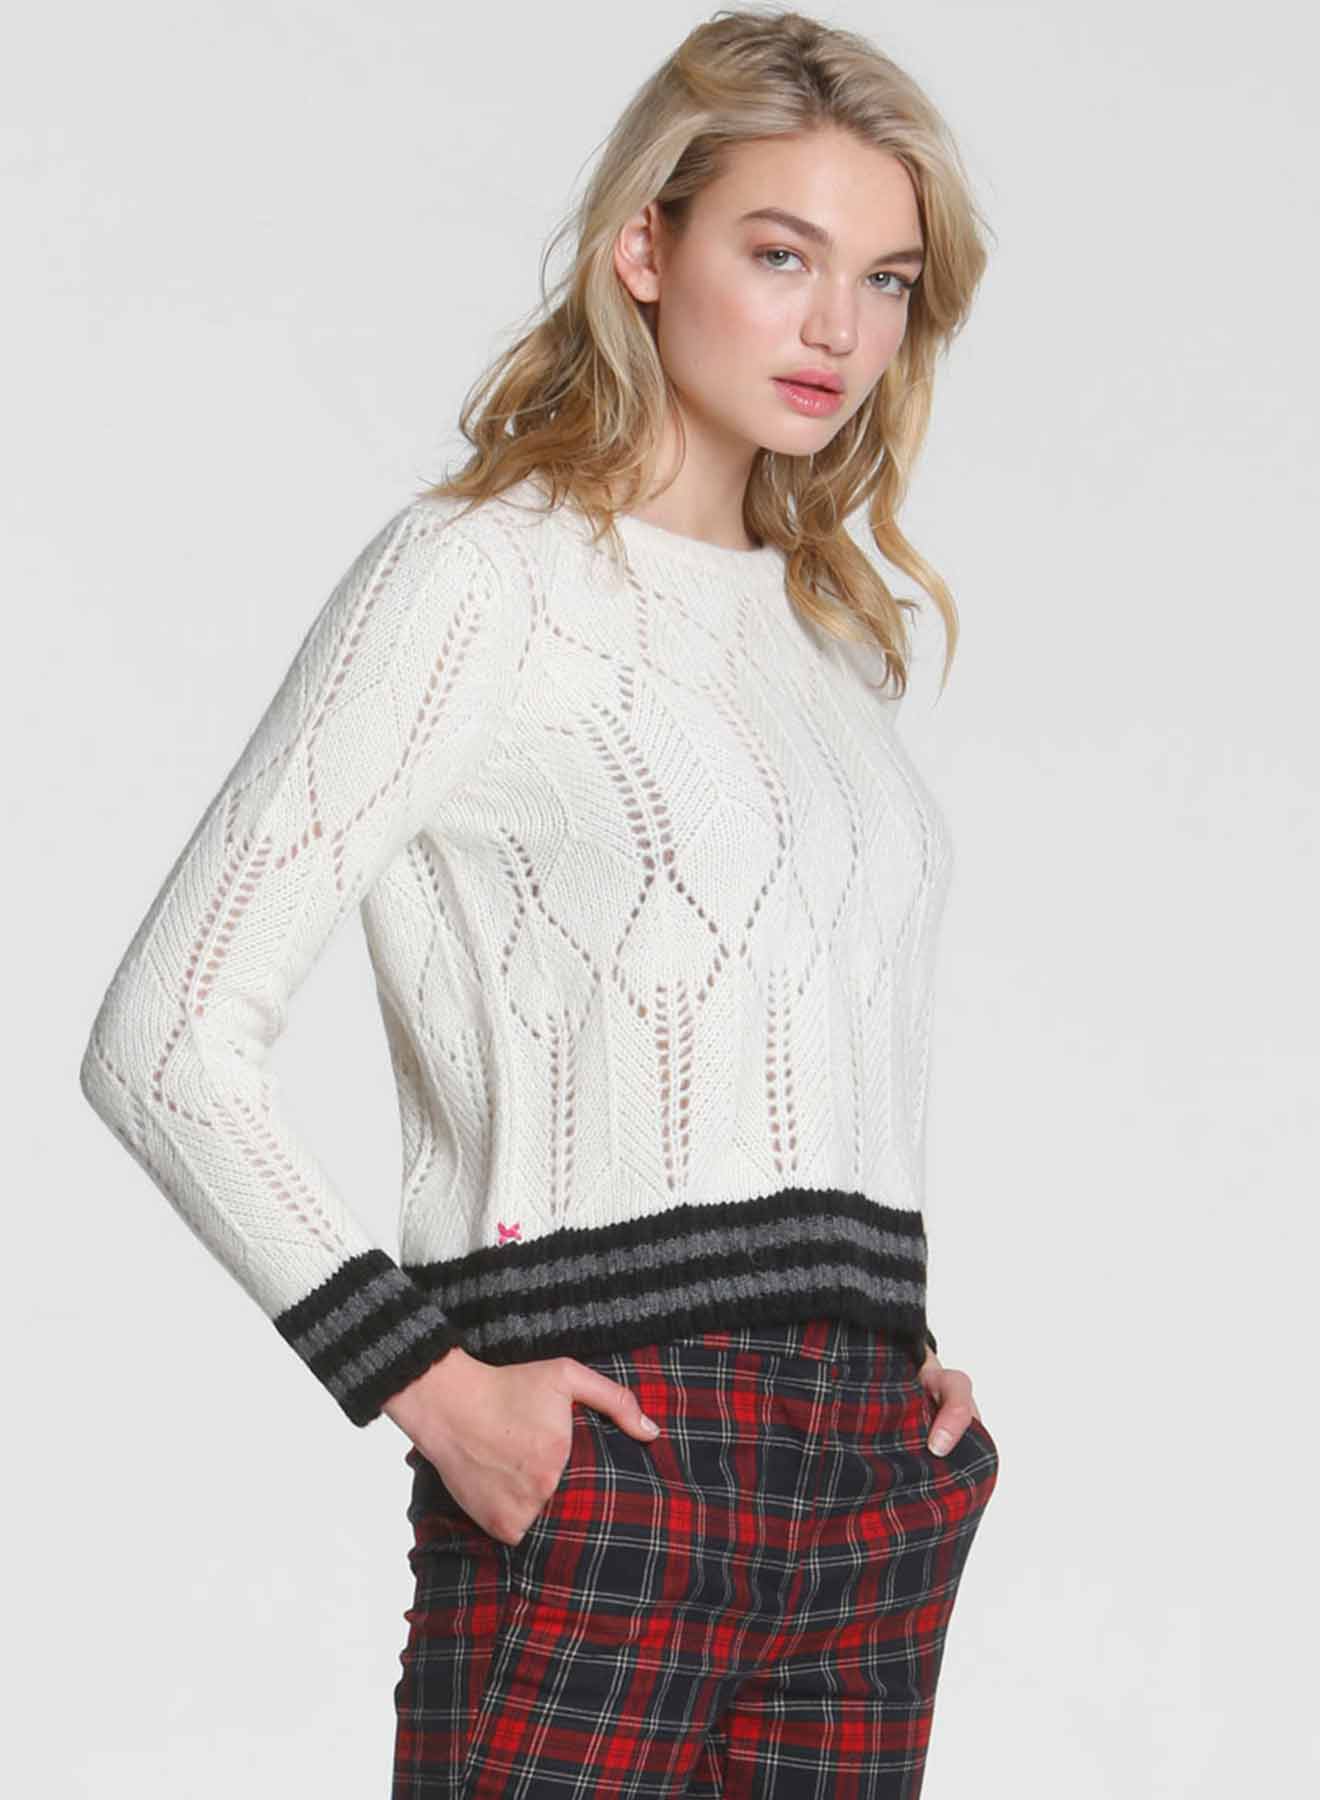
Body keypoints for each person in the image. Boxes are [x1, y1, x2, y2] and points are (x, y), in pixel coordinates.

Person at [79, 8, 1000, 1794]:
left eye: (885, 280)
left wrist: (902, 1361)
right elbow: (163, 1039)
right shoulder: (479, 579)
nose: (837, 327)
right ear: (645, 248)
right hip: (615, 1451)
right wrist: (435, 1390)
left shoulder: (825, 638)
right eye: (782, 254)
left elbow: (775, 1057)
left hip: (867, 1493)